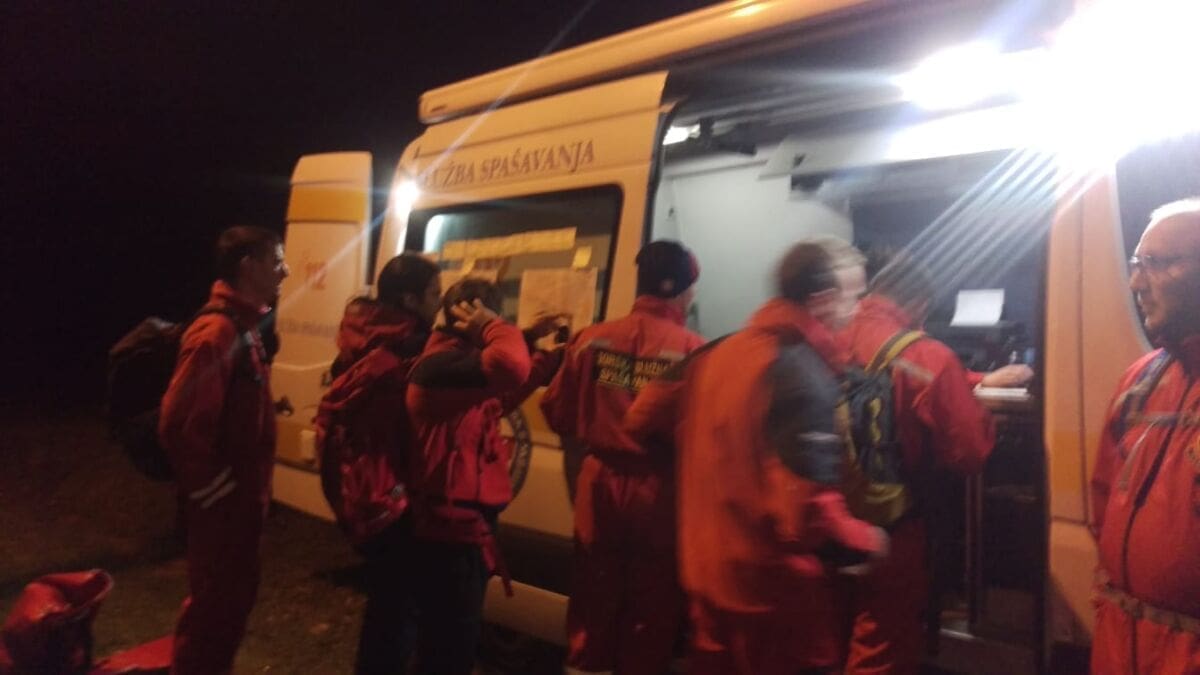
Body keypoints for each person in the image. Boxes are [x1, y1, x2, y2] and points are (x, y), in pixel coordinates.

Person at [626, 242, 887, 675]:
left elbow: (642, 415)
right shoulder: (799, 372)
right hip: (772, 599)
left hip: (706, 576)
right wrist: (868, 541)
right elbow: (806, 511)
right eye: (854, 297)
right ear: (822, 300)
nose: (858, 309)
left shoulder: (716, 353)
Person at [541, 241, 705, 675]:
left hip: (599, 483)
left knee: (592, 601)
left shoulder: (589, 340)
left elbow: (557, 413)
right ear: (684, 289)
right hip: (659, 491)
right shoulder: (694, 351)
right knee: (650, 611)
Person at [837, 253, 995, 675]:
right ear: (920, 305)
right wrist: (984, 409)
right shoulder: (928, 355)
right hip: (891, 524)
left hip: (825, 512)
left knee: (833, 636)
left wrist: (971, 378)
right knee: (881, 642)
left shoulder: (828, 336)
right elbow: (969, 452)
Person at [403, 278, 562, 675]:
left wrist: (544, 353)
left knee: (451, 642)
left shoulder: (459, 364)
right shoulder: (439, 367)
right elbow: (509, 367)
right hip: (447, 533)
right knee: (448, 647)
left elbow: (501, 395)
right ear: (475, 319)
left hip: (463, 529)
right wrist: (497, 328)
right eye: (491, 317)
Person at [159, 225, 289, 675]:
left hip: (240, 510)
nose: (286, 271)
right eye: (277, 261)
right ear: (248, 267)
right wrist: (217, 491)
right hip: (223, 513)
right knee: (212, 617)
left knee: (228, 613)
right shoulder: (215, 332)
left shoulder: (244, 326)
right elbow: (178, 424)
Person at [1090, 199, 1200, 675]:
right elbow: (1102, 499)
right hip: (1121, 643)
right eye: (1136, 264)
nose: (1136, 283)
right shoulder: (1141, 380)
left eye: (1156, 263)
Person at [335, 253, 441, 675]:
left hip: (368, 486)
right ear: (410, 300)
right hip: (399, 490)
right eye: (434, 293)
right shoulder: (412, 346)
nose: (440, 301)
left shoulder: (363, 333)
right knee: (399, 608)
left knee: (386, 602)